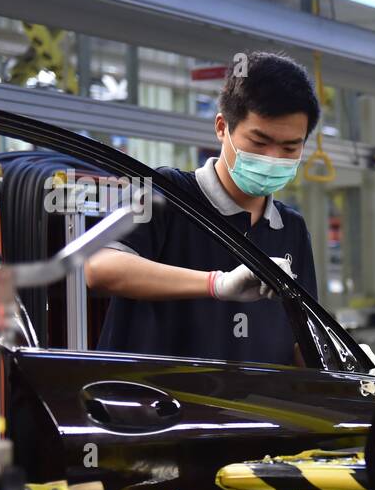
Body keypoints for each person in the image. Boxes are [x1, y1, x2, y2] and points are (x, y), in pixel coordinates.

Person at [87, 51, 320, 366]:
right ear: (223, 128)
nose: (273, 157)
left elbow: (298, 338)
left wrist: (334, 363)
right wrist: (217, 284)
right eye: (259, 142)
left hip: (250, 411)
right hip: (157, 406)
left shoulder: (291, 229)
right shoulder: (163, 192)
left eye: (290, 147)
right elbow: (99, 268)